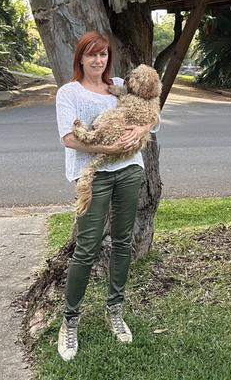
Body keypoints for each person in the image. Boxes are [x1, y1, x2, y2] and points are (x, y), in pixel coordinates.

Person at [54, 30, 159, 361]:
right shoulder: (68, 92)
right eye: (91, 55)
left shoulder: (120, 85)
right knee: (87, 247)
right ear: (80, 58)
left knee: (123, 241)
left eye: (102, 55)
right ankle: (70, 320)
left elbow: (152, 114)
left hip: (129, 171)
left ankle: (115, 309)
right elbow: (69, 138)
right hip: (93, 176)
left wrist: (142, 129)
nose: (98, 61)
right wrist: (108, 148)